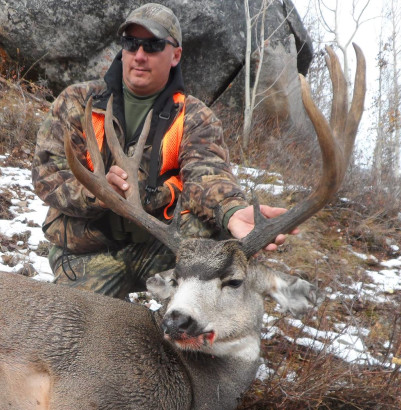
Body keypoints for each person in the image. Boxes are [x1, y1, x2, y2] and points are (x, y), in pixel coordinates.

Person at [32, 3, 293, 298]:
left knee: (212, 247)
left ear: (175, 55)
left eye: (153, 45)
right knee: (77, 331)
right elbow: (47, 174)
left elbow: (207, 174)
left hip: (160, 247)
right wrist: (96, 191)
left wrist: (231, 211)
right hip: (89, 249)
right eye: (131, 44)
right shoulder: (78, 102)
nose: (139, 55)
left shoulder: (193, 116)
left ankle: (190, 323)